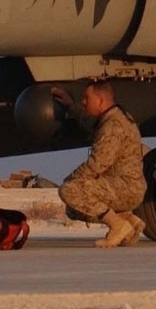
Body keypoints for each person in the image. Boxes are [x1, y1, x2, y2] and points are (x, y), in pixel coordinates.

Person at [51, 79, 148, 247]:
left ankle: (117, 225)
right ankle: (130, 222)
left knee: (69, 191)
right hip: (128, 187)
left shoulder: (113, 126)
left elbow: (98, 164)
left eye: (87, 98)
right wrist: (70, 106)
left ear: (101, 101)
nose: (83, 101)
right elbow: (91, 123)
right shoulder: (115, 117)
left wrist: (72, 179)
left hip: (125, 188)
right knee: (73, 207)